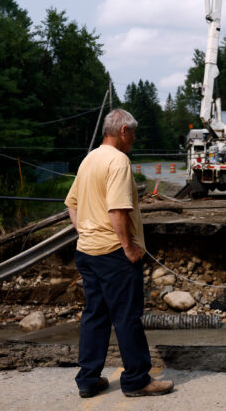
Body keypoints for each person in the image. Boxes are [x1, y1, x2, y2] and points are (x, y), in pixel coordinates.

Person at [65, 109, 173, 399]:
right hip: (113, 253)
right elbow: (117, 210)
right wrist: (129, 246)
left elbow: (71, 204)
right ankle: (137, 380)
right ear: (123, 130)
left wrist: (85, 231)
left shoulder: (89, 159)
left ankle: (88, 379)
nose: (134, 139)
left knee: (95, 315)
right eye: (133, 133)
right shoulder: (118, 161)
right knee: (127, 316)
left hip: (87, 251)